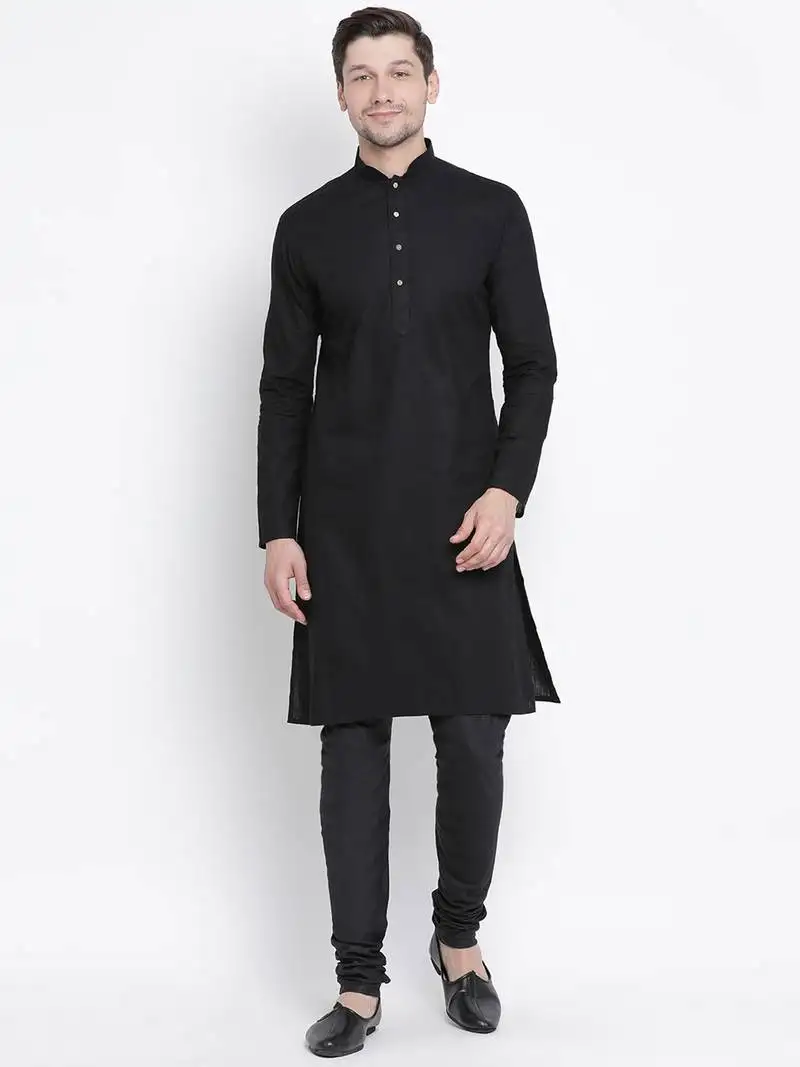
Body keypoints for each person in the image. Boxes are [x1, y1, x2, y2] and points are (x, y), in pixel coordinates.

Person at [257, 7, 560, 1056]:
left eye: (398, 71)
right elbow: (283, 389)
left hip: (462, 524)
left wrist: (506, 492)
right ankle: (357, 983)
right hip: (342, 530)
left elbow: (533, 364)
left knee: (473, 741)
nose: (380, 91)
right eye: (361, 74)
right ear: (340, 93)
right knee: (352, 753)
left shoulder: (489, 210)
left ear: (432, 84)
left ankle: (459, 942)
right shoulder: (305, 226)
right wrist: (278, 529)